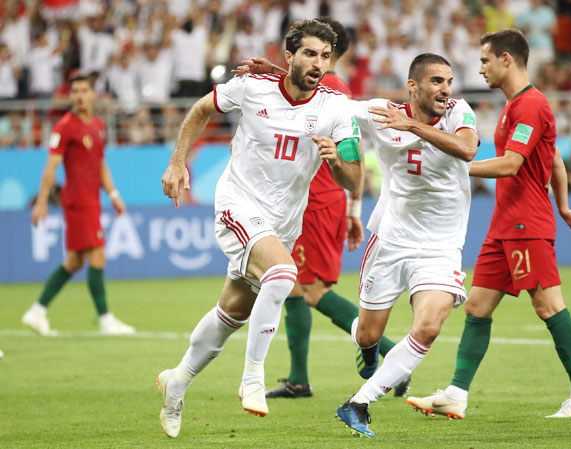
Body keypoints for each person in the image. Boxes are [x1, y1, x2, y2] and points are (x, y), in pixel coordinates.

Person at [156, 19, 362, 438]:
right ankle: (253, 377)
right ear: (289, 57)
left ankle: (176, 381)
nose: (318, 63)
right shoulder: (252, 87)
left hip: (283, 222)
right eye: (309, 53)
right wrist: (178, 160)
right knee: (285, 275)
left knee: (232, 311)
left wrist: (335, 160)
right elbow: (200, 110)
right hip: (239, 203)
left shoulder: (336, 107)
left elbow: (354, 178)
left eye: (324, 56)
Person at [406, 29, 571, 420]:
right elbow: (555, 159)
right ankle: (456, 394)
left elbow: (512, 164)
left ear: (506, 59)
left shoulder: (530, 105)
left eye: (484, 60)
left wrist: (458, 172)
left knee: (548, 306)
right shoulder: (515, 105)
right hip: (504, 224)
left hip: (525, 223)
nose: (480, 69)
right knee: (477, 307)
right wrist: (563, 206)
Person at [241, 17, 408, 401]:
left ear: (330, 53)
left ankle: (396, 360)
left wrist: (351, 206)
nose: (313, 60)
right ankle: (299, 380)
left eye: (319, 51)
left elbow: (353, 153)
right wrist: (352, 209)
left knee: (311, 289)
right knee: (293, 288)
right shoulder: (331, 85)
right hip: (318, 201)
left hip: (317, 202)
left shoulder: (328, 88)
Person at [335, 53, 479, 438]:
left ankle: (358, 403)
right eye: (435, 81)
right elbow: (329, 100)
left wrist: (412, 125)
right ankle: (367, 351)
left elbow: (467, 150)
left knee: (429, 326)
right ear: (412, 86)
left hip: (441, 247)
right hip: (391, 241)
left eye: (448, 81)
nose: (445, 89)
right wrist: (280, 77)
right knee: (368, 334)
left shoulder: (458, 112)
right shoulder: (382, 113)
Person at [21, 74, 135, 336]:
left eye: (84, 90)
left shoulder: (97, 125)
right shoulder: (65, 127)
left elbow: (101, 164)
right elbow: (50, 169)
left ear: (94, 94)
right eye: (75, 91)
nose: (79, 96)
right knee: (97, 254)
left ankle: (37, 311)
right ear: (70, 95)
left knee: (74, 261)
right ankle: (106, 319)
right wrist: (41, 204)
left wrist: (114, 194)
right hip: (78, 201)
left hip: (92, 199)